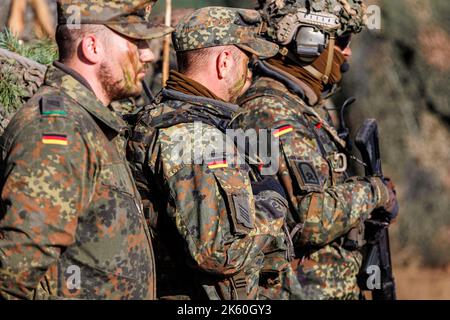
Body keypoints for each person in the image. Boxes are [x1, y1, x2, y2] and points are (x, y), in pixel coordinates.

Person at [0, 0, 173, 300]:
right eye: (135, 40)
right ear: (92, 47)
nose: (147, 53)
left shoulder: (89, 124)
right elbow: (14, 276)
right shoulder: (58, 131)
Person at [127, 6, 303, 300]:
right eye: (247, 62)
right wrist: (272, 202)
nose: (249, 75)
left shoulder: (165, 116)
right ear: (224, 62)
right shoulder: (195, 137)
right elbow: (218, 253)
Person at [235, 0, 399, 299]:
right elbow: (310, 219)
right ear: (309, 42)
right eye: (343, 41)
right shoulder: (271, 112)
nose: (347, 52)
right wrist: (374, 193)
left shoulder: (300, 106)